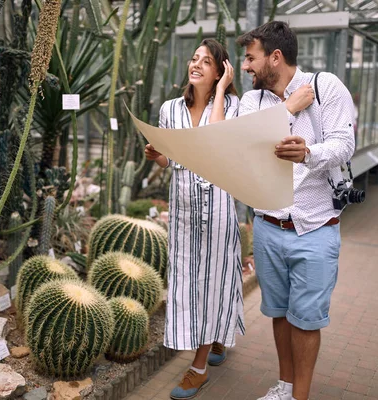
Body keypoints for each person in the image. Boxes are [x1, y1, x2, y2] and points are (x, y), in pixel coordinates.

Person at [236, 21, 355, 400]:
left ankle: (299, 395)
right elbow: (247, 147)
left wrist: (308, 152)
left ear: (276, 57)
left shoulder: (326, 87)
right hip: (268, 227)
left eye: (251, 58)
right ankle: (284, 386)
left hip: (316, 228)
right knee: (279, 312)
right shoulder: (253, 101)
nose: (246, 66)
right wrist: (287, 110)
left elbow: (343, 145)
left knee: (306, 319)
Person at [145, 38, 245, 400]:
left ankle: (199, 368)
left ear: (221, 71)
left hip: (218, 207)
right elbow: (171, 163)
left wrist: (218, 92)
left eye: (207, 61)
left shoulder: (234, 106)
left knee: (213, 280)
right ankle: (216, 338)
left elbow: (216, 142)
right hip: (184, 211)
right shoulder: (171, 109)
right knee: (190, 282)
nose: (197, 64)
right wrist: (155, 155)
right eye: (194, 58)